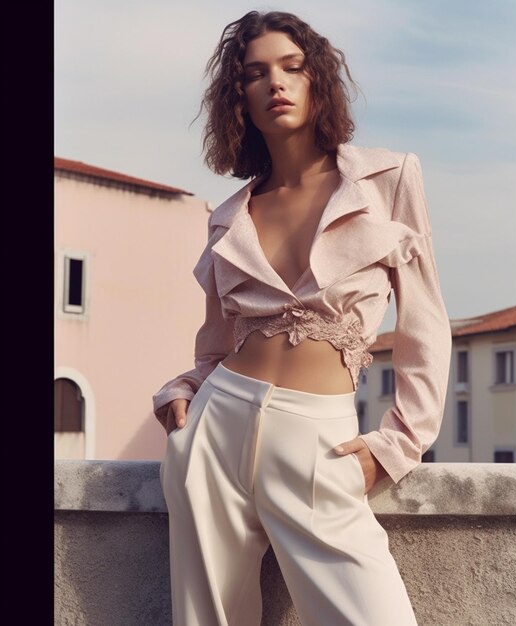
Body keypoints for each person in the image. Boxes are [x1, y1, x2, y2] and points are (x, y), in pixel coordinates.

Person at [153, 10, 451, 626]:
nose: (276, 84)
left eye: (292, 67)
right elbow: (215, 346)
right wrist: (184, 388)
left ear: (318, 79)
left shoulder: (388, 179)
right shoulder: (229, 216)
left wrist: (398, 444)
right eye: (255, 74)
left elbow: (425, 326)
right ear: (239, 98)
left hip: (321, 443)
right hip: (215, 433)